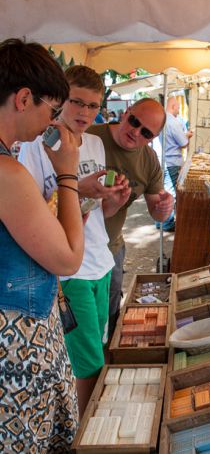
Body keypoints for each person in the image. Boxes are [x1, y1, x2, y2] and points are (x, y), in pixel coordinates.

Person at [19, 65, 131, 418]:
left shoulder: (94, 143)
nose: (84, 112)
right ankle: (85, 431)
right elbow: (31, 215)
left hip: (100, 260)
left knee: (96, 347)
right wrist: (77, 188)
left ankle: (86, 425)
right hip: (70, 271)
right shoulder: (37, 145)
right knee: (89, 363)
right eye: (76, 102)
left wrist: (115, 199)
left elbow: (100, 212)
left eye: (93, 105)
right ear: (59, 100)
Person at [0, 38, 84, 450]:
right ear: (23, 99)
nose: (51, 124)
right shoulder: (7, 173)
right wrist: (67, 174)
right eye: (51, 111)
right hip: (16, 343)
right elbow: (68, 258)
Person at [87, 98, 174, 339]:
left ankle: (106, 355)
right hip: (75, 250)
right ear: (126, 113)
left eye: (145, 132)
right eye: (134, 122)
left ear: (153, 138)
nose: (135, 132)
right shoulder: (89, 137)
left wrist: (165, 207)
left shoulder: (149, 160)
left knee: (109, 313)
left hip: (111, 248)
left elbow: (157, 212)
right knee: (78, 323)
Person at [153, 96, 193, 231]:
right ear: (173, 106)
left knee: (161, 192)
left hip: (162, 160)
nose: (179, 110)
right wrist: (187, 136)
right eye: (178, 107)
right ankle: (167, 223)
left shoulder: (161, 119)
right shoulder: (173, 122)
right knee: (170, 194)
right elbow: (183, 143)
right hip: (172, 161)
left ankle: (160, 221)